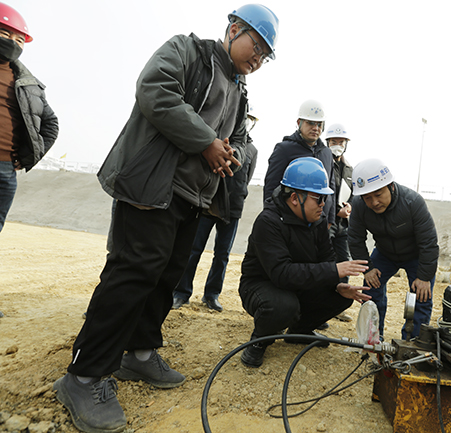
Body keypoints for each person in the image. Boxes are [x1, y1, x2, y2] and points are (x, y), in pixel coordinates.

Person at [52, 5, 279, 433]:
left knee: (166, 275)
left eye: (266, 55)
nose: (259, 58)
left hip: (193, 197)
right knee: (133, 272)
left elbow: (238, 137)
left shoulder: (239, 91)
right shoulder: (188, 52)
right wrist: (207, 142)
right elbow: (154, 89)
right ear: (234, 29)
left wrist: (230, 150)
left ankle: (139, 354)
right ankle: (83, 376)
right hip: (153, 185)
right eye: (257, 45)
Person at [238, 157, 371, 368]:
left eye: (325, 198)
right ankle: (259, 339)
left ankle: (299, 331)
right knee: (284, 305)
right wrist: (333, 270)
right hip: (262, 286)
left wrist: (337, 285)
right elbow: (282, 274)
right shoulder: (269, 222)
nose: (323, 204)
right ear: (294, 198)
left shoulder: (317, 222)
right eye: (318, 198)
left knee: (340, 298)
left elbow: (327, 258)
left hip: (296, 284)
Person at [172, 111, 259, 311]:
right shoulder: (218, 142)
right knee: (193, 249)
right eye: (244, 117)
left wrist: (238, 196)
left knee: (222, 254)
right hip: (208, 203)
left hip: (233, 207)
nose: (246, 121)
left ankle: (212, 295)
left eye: (250, 119)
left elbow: (246, 178)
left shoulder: (252, 150)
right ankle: (181, 292)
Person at [348, 158, 439, 340]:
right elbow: (355, 239)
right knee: (371, 290)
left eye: (378, 194)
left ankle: (413, 342)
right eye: (367, 197)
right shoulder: (359, 206)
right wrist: (368, 269)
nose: (374, 202)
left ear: (390, 186)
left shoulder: (412, 202)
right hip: (385, 254)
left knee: (421, 297)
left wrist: (424, 277)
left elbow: (428, 242)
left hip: (416, 256)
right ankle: (372, 339)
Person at [0, 2, 58, 233]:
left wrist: (28, 157)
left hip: (5, 170)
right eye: (5, 34)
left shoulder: (27, 84)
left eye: (19, 40)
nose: (13, 43)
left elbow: (50, 124)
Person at [263, 99, 336, 227]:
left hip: (319, 223)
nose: (315, 128)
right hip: (291, 222)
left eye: (319, 124)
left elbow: (331, 187)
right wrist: (271, 218)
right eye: (310, 123)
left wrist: (330, 220)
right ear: (299, 122)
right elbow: (271, 186)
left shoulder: (327, 153)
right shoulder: (284, 149)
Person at [325, 123, 354, 323]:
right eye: (333, 141)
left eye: (341, 142)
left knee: (344, 261)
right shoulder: (323, 164)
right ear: (327, 143)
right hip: (326, 222)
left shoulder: (350, 169)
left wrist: (350, 207)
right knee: (325, 262)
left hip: (343, 225)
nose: (337, 145)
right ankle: (321, 305)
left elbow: (354, 194)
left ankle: (338, 305)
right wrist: (335, 212)